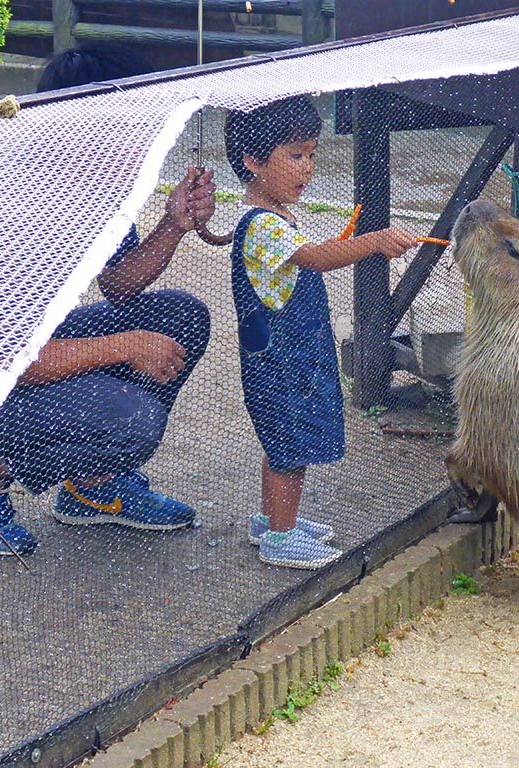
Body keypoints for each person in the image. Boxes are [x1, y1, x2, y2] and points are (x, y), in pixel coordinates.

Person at [0, 43, 217, 556]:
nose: (148, 135)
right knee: (132, 419)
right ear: (85, 125)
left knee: (180, 317)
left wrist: (174, 225)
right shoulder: (12, 201)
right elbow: (5, 362)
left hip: (28, 352)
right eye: (133, 121)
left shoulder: (97, 183)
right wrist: (125, 346)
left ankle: (93, 488)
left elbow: (121, 285)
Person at [224, 96, 416, 568]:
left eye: (311, 154)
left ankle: (273, 521)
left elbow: (303, 256)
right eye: (294, 156)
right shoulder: (263, 224)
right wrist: (374, 241)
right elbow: (313, 259)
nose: (306, 168)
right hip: (281, 360)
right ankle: (281, 538)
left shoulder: (272, 217)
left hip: (288, 353)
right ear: (252, 161)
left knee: (285, 439)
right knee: (290, 441)